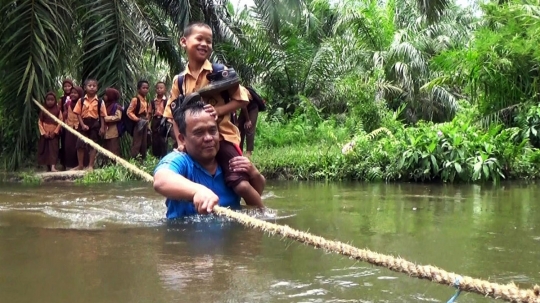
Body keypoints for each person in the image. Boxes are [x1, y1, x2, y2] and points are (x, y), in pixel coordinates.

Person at [162, 22, 264, 209]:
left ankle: (263, 216)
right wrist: (181, 143)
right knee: (180, 179)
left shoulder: (220, 72)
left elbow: (242, 100)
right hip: (194, 141)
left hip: (223, 137)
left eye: (208, 41)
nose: (204, 44)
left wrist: (218, 111)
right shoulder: (180, 80)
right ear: (184, 41)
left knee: (240, 184)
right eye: (199, 39)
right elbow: (172, 114)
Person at [153, 97, 266, 219]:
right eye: (199, 132)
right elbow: (161, 180)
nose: (208, 138)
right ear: (182, 139)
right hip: (183, 236)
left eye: (212, 131)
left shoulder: (229, 162)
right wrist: (197, 191)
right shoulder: (180, 160)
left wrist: (254, 173)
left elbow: (256, 201)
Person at [72, 78, 107, 171]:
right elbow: (77, 113)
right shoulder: (81, 100)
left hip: (95, 124)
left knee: (93, 144)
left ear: (97, 88)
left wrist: (102, 127)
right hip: (83, 123)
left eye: (94, 86)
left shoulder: (100, 101)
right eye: (89, 86)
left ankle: (90, 165)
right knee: (80, 144)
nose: (92, 87)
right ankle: (80, 165)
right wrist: (82, 125)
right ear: (85, 88)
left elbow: (103, 115)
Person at [37, 92, 63, 172]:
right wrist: (44, 133)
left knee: (53, 150)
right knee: (45, 150)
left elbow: (60, 121)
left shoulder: (58, 110)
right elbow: (39, 122)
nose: (50, 101)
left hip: (54, 134)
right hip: (45, 133)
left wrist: (55, 132)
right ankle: (47, 167)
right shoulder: (43, 110)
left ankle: (53, 167)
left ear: (55, 101)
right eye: (48, 100)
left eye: (52, 100)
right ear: (45, 101)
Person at [62, 86, 84, 169]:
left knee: (80, 146)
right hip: (70, 127)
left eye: (75, 93)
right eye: (71, 93)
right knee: (69, 146)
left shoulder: (82, 103)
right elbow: (65, 113)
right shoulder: (68, 103)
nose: (73, 95)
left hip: (79, 127)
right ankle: (70, 165)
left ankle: (81, 165)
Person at [127, 80, 150, 160]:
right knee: (137, 142)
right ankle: (134, 160)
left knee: (144, 142)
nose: (145, 90)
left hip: (144, 122)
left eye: (147, 88)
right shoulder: (135, 99)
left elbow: (146, 114)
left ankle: (142, 160)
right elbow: (129, 112)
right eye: (143, 88)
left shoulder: (146, 101)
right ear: (138, 89)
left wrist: (148, 124)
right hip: (138, 122)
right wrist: (137, 119)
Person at [237, 88, 260, 158]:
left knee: (249, 127)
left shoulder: (239, 91)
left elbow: (243, 106)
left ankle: (249, 152)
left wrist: (248, 120)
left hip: (253, 107)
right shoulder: (229, 93)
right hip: (244, 108)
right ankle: (239, 150)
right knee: (239, 128)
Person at [149, 81, 168, 158]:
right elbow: (150, 113)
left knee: (163, 138)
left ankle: (164, 156)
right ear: (155, 90)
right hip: (155, 120)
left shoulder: (167, 101)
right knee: (155, 138)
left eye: (161, 88)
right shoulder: (153, 101)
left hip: (164, 120)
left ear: (165, 89)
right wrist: (148, 123)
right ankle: (156, 156)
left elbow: (169, 112)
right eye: (157, 88)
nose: (159, 89)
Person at [102, 88, 122, 157]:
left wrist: (106, 118)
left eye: (106, 95)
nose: (104, 97)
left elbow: (118, 117)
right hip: (106, 130)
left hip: (113, 130)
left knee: (114, 148)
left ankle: (115, 164)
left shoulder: (117, 106)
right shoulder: (105, 106)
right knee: (106, 148)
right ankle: (107, 164)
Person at [58, 79, 73, 170]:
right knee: (64, 143)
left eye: (69, 86)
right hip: (64, 123)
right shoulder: (61, 99)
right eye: (65, 86)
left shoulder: (76, 97)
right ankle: (64, 164)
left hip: (74, 123)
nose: (67, 88)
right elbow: (59, 112)